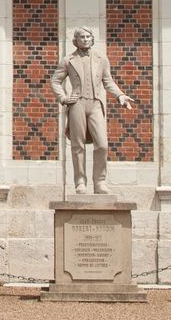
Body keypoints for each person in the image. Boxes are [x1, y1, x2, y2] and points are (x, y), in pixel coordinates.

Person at [52, 26, 134, 195]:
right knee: (77, 145)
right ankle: (80, 182)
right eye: (82, 37)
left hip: (96, 104)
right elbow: (55, 81)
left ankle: (100, 182)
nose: (86, 39)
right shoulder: (68, 60)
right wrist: (64, 98)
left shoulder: (101, 59)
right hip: (77, 104)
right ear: (76, 40)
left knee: (102, 145)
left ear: (92, 39)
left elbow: (108, 81)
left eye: (88, 37)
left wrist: (120, 96)